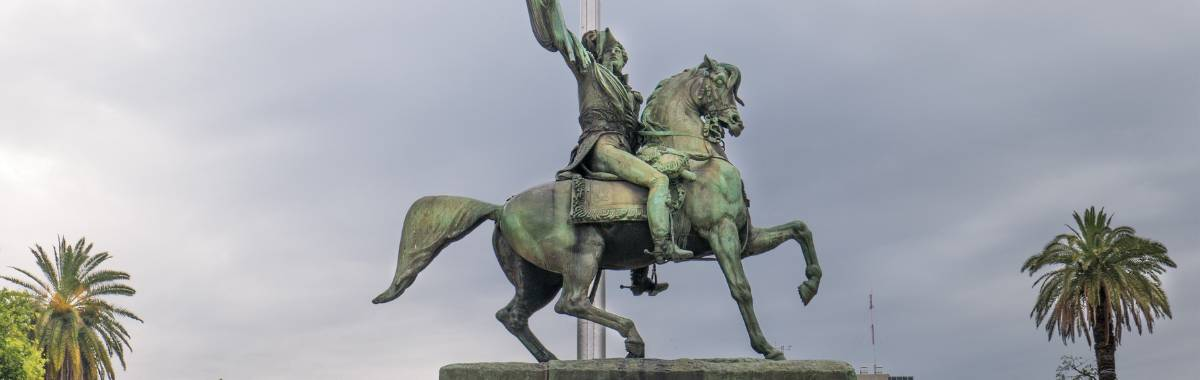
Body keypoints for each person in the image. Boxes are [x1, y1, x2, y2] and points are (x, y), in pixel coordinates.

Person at [527, 0, 688, 292]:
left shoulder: (629, 95)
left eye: (622, 54)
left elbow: (638, 132)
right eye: (613, 52)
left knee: (649, 193)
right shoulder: (589, 71)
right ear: (600, 54)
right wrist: (549, 7)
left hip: (625, 149)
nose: (619, 57)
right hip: (601, 147)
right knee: (657, 181)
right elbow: (562, 37)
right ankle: (665, 247)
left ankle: (640, 276)